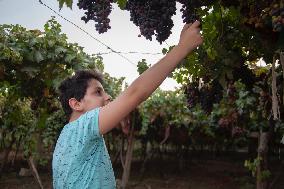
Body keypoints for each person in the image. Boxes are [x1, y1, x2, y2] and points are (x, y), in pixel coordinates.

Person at [52, 21, 203, 189]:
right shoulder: (84, 126)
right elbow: (136, 93)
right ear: (76, 103)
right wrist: (183, 48)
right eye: (98, 92)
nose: (108, 97)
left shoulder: (66, 136)